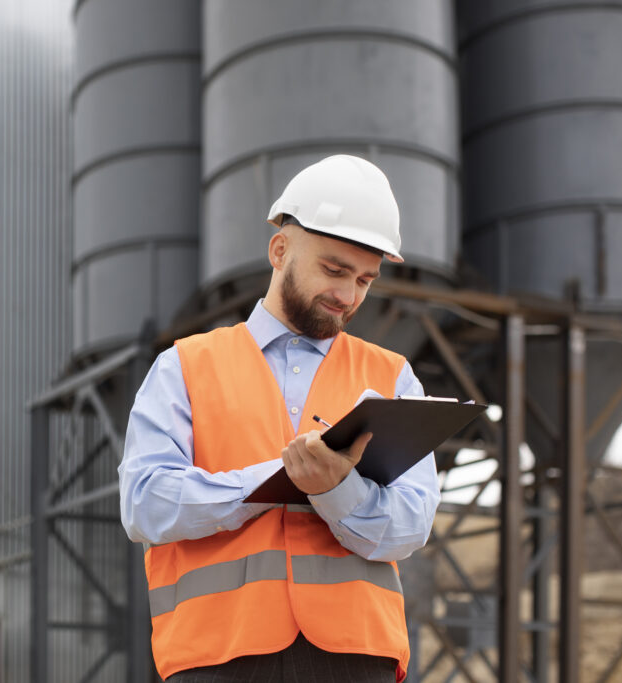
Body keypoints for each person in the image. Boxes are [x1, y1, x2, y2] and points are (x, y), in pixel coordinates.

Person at [118, 154, 440, 682]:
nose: (347, 295)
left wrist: (338, 489)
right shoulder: (184, 367)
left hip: (355, 660)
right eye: (333, 270)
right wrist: (274, 482)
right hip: (218, 657)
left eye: (364, 280)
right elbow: (144, 503)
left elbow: (409, 526)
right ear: (280, 249)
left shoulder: (393, 377)